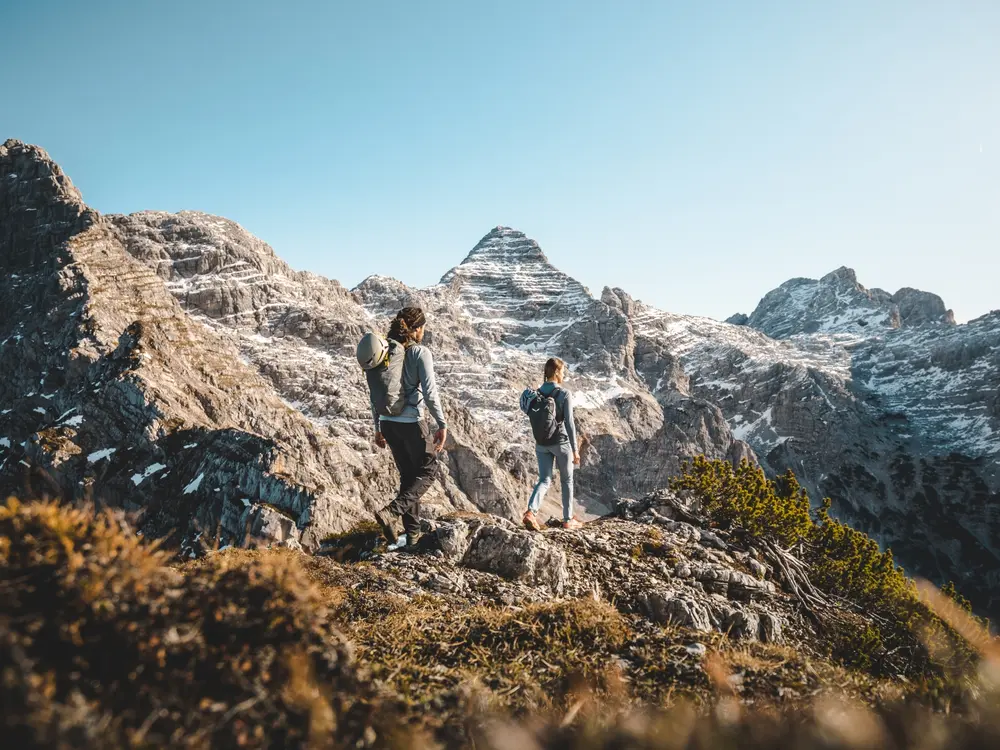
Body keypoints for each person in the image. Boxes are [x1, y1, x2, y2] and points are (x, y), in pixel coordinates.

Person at [371, 306, 448, 550]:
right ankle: (391, 512)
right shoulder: (419, 353)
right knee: (428, 472)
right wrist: (442, 423)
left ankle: (411, 537)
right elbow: (430, 393)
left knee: (408, 476)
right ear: (416, 329)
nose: (424, 332)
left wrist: (377, 427)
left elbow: (376, 392)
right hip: (412, 423)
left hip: (388, 423)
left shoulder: (384, 350)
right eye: (423, 327)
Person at [522, 357, 582, 531]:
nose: (563, 375)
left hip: (541, 443)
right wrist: (575, 450)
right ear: (557, 372)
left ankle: (531, 512)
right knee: (567, 480)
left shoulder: (536, 393)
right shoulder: (563, 394)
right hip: (561, 443)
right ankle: (568, 519)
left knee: (544, 479)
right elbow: (570, 423)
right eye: (562, 372)